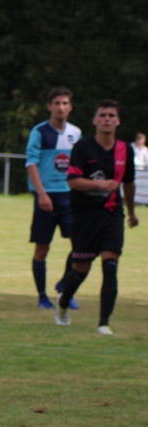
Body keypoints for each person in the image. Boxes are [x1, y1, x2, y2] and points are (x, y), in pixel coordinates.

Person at [56, 99, 138, 335]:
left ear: (118, 121)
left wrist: (131, 211)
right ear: (95, 120)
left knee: (110, 265)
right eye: (102, 115)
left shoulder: (126, 149)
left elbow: (129, 183)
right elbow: (73, 181)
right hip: (85, 215)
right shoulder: (82, 148)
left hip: (112, 213)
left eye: (112, 115)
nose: (107, 119)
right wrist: (100, 183)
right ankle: (63, 303)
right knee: (80, 269)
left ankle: (104, 323)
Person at [23, 87, 82, 310]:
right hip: (46, 198)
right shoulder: (39, 132)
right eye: (57, 103)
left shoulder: (76, 133)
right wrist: (41, 194)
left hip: (69, 197)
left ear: (70, 107)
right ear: (49, 106)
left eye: (65, 103)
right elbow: (31, 163)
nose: (61, 107)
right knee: (42, 249)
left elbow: (79, 165)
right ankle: (42, 296)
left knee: (80, 246)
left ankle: (65, 286)